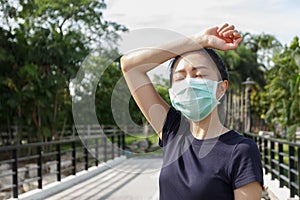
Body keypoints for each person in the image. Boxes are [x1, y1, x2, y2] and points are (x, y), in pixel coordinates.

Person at [120, 23, 264, 200]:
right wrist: (198, 40)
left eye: (199, 75)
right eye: (180, 77)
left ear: (221, 88)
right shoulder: (172, 131)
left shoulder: (241, 150)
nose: (188, 84)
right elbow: (130, 66)